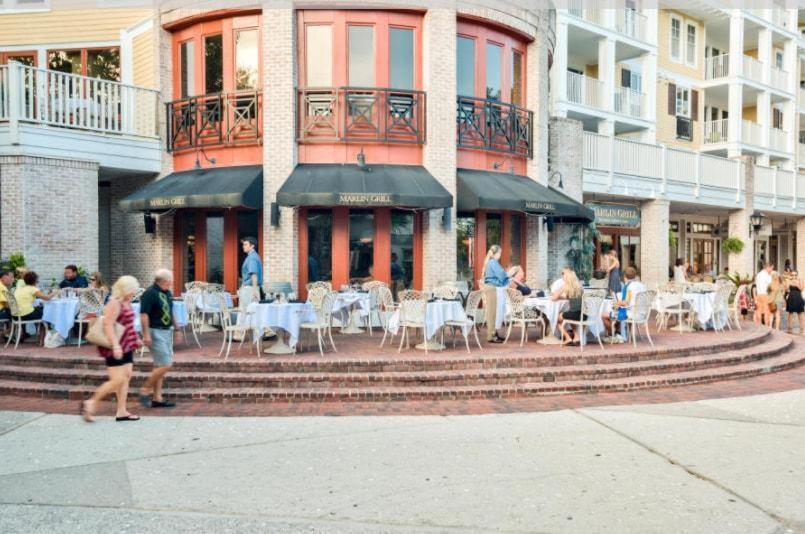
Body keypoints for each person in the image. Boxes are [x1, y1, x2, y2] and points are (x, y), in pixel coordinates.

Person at [81, 275, 142, 422]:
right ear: (125, 289)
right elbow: (108, 324)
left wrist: (136, 338)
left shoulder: (127, 302)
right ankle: (91, 402)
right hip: (115, 346)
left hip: (127, 345)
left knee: (126, 377)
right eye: (132, 289)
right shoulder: (114, 303)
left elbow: (128, 324)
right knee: (118, 379)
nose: (134, 292)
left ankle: (121, 411)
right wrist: (115, 345)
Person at [138, 269, 179, 409]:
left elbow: (170, 310)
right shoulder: (150, 293)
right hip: (155, 331)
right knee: (166, 364)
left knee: (159, 365)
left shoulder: (167, 293)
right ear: (164, 280)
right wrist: (146, 334)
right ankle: (145, 389)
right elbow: (144, 314)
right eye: (171, 279)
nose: (172, 282)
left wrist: (177, 328)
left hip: (166, 331)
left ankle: (157, 398)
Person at [602, 267, 646, 342]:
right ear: (635, 276)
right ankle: (621, 332)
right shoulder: (642, 286)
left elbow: (625, 302)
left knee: (604, 315)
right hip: (642, 313)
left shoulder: (629, 287)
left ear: (625, 277)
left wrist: (616, 303)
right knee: (617, 310)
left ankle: (613, 334)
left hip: (630, 313)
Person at [482, 245, 509, 343]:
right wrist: (509, 274)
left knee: (493, 312)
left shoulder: (491, 262)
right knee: (493, 313)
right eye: (500, 253)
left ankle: (494, 334)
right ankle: (491, 336)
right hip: (492, 289)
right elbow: (501, 275)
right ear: (496, 253)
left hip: (491, 288)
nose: (500, 255)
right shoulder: (493, 262)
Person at [553, 268, 584, 345]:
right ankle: (577, 338)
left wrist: (559, 292)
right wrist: (562, 297)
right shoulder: (579, 287)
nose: (562, 276)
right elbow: (572, 297)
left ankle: (567, 338)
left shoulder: (566, 286)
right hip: (584, 315)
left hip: (575, 315)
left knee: (556, 319)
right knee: (570, 315)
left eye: (564, 275)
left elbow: (553, 298)